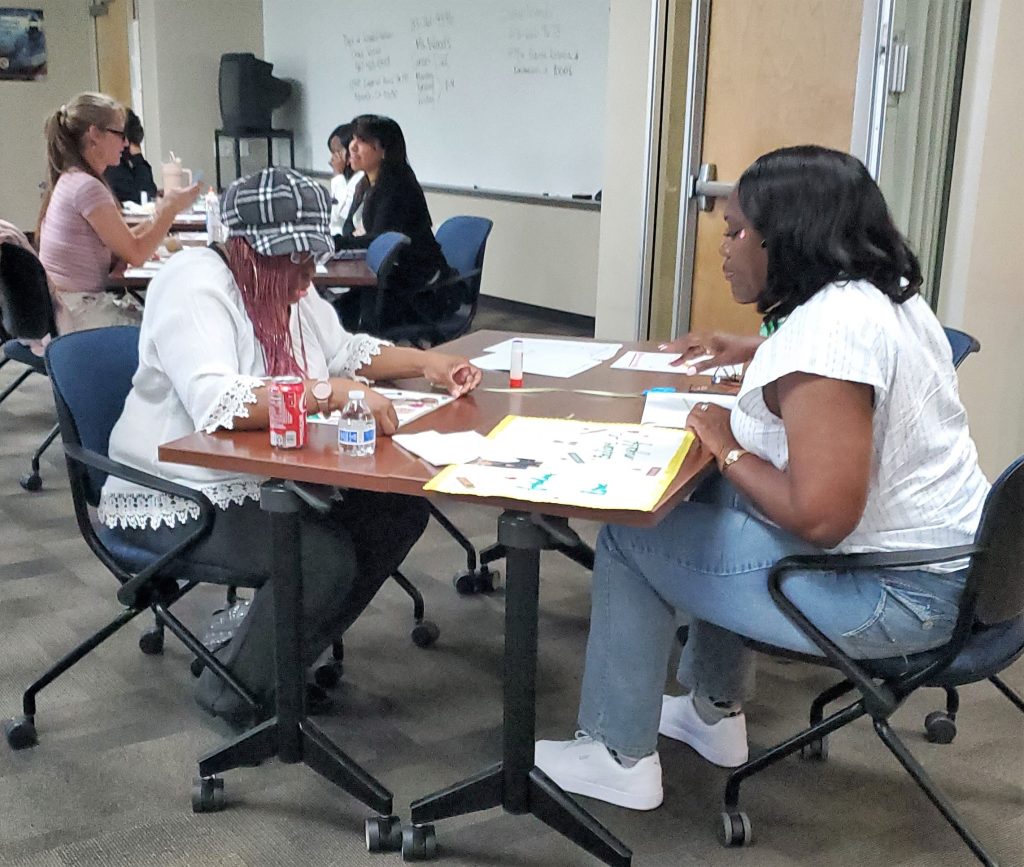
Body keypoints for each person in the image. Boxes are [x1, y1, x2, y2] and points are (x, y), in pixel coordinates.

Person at [534, 145, 990, 811]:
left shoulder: (829, 339)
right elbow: (838, 370)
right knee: (721, 497)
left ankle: (615, 754)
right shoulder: (882, 298)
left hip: (901, 596)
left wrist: (724, 446)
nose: (724, 247)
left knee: (634, 535)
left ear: (792, 238)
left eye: (738, 231)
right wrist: (756, 349)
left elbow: (821, 517)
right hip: (955, 570)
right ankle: (713, 712)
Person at [98, 166, 482, 726]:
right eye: (293, 260)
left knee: (396, 512)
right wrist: (331, 395)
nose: (306, 276)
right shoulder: (194, 284)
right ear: (243, 249)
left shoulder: (281, 286)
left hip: (259, 477)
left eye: (310, 257)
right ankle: (233, 692)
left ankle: (267, 659)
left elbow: (345, 351)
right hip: (177, 492)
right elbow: (219, 403)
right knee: (319, 559)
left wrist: (427, 362)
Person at [37, 92, 198, 333]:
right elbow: (136, 253)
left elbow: (124, 243)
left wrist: (161, 212)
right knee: (173, 331)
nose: (125, 143)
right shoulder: (87, 187)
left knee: (165, 321)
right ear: (94, 135)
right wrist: (170, 210)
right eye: (120, 134)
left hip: (67, 307)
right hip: (80, 315)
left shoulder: (72, 179)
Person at [334, 114, 453, 329]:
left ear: (383, 150)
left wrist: (335, 243)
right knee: (338, 313)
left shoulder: (397, 187)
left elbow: (380, 241)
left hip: (415, 282)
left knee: (347, 317)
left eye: (362, 141)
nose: (352, 147)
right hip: (390, 272)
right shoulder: (368, 183)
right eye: (353, 138)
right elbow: (354, 230)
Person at [104, 108, 158, 205]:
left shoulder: (121, 163)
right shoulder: (113, 166)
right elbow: (145, 197)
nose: (125, 143)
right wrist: (138, 159)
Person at [326, 122, 364, 237]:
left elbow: (340, 215)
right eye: (332, 152)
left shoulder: (361, 178)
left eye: (338, 152)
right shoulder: (347, 178)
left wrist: (337, 175)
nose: (332, 158)